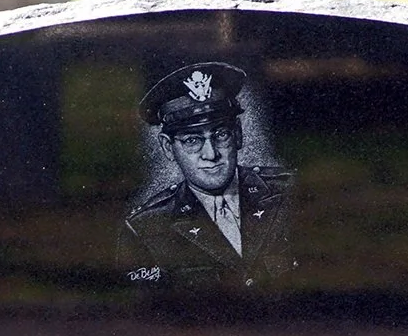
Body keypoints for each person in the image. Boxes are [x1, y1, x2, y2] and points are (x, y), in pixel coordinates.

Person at [119, 62, 292, 290]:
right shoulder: (146, 229)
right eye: (192, 140)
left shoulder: (291, 195)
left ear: (238, 134)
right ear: (168, 148)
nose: (211, 154)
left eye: (221, 134)